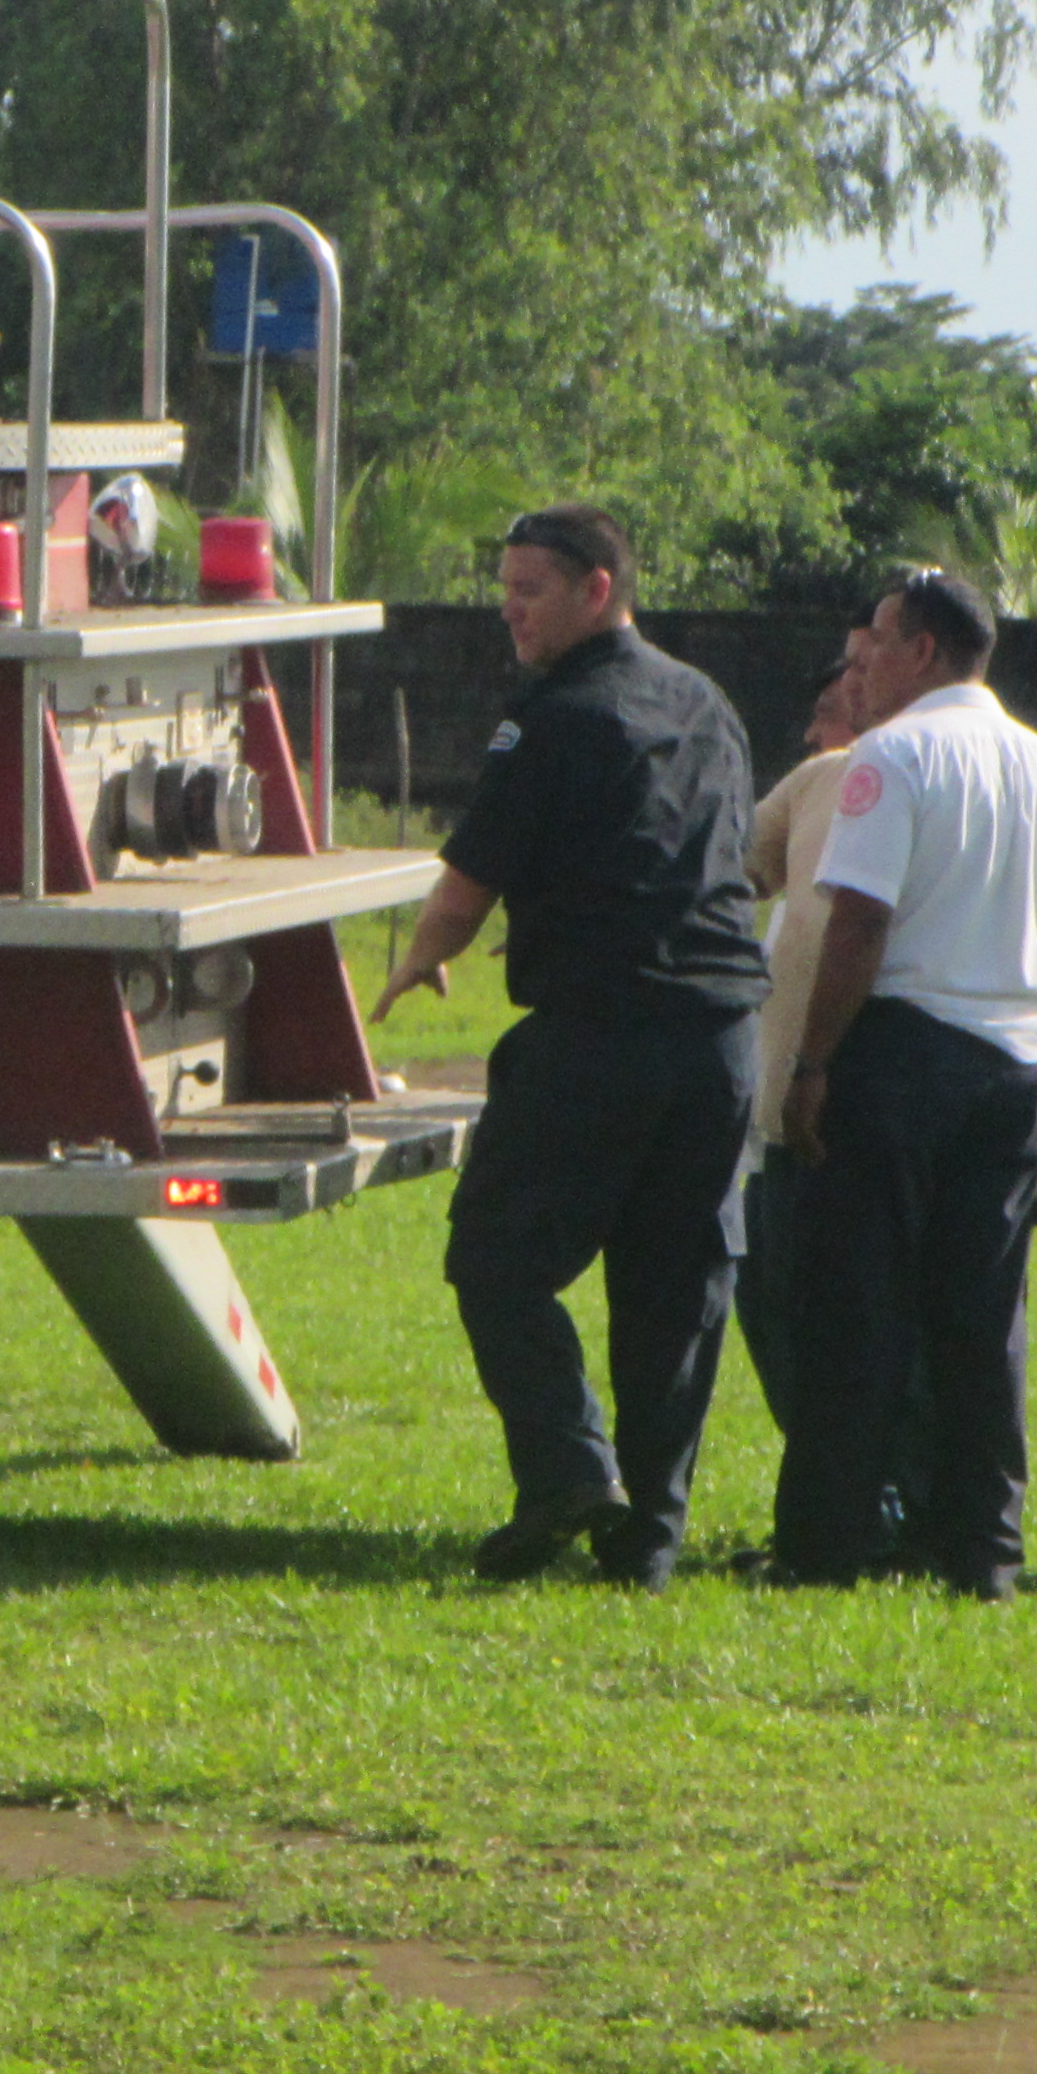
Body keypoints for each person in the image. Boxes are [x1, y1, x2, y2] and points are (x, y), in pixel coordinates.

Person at [375, 504, 766, 1591]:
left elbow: (468, 881)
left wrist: (418, 956)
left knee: (495, 1255)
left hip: (602, 1027)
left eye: (529, 590)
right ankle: (646, 1543)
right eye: (503, 589)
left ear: (598, 589)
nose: (510, 611)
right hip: (721, 1034)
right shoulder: (706, 703)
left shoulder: (551, 716)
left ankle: (566, 1472)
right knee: (674, 1292)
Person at [767, 571, 1037, 1600]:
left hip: (902, 1057)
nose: (858, 661)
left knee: (856, 1309)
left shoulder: (892, 756)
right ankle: (980, 1549)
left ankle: (829, 1541)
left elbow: (858, 924)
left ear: (923, 652)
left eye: (875, 639)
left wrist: (813, 1064)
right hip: (1013, 1067)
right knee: (981, 1321)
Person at [731, 649, 866, 1433]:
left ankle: (867, 1494)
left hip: (837, 1103)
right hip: (783, 1109)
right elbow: (736, 868)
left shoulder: (859, 776)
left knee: (813, 1302)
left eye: (828, 712)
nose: (813, 733)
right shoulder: (817, 795)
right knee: (772, 1290)